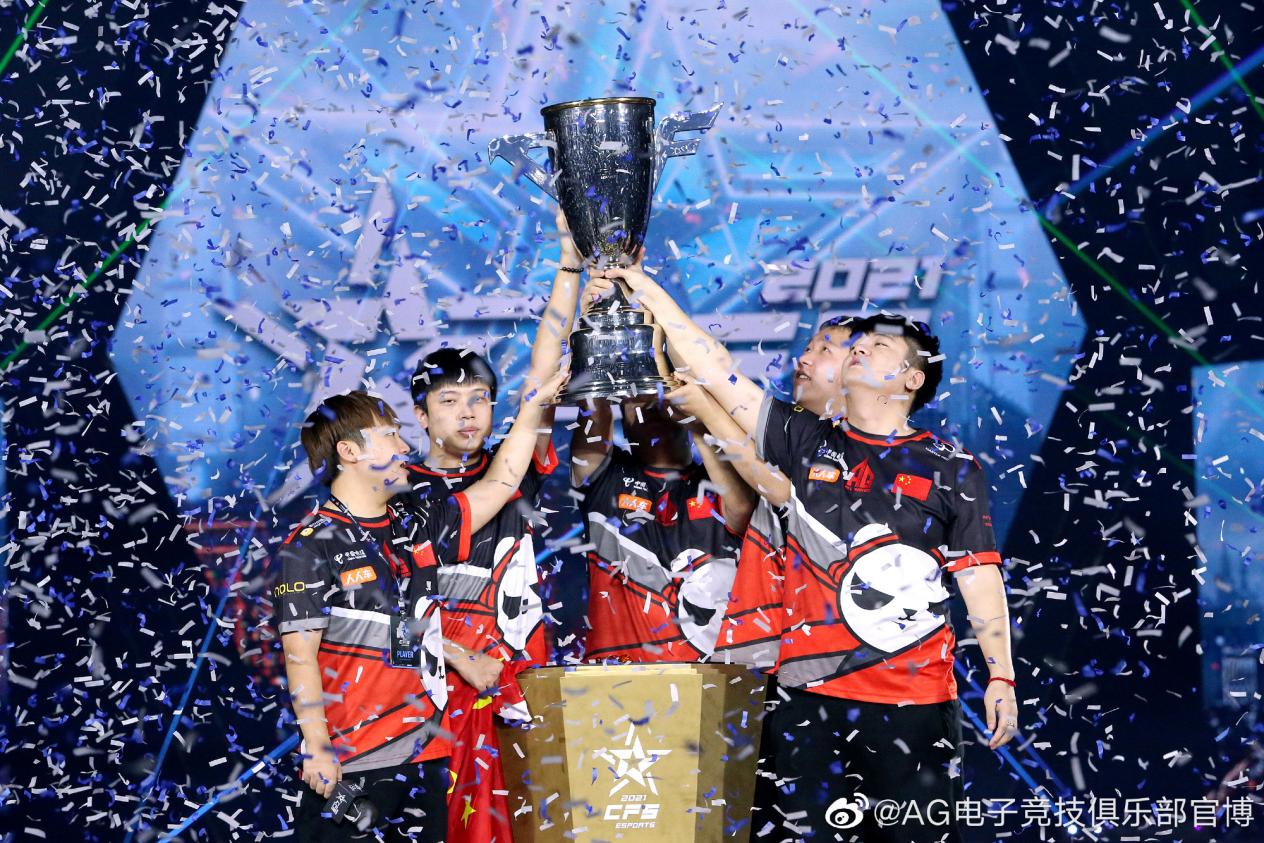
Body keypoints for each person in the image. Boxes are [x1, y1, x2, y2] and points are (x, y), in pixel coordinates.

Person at [606, 265, 1017, 842]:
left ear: (911, 380)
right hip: (805, 699)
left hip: (913, 700)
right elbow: (714, 366)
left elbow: (979, 579)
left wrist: (1002, 676)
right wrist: (641, 284)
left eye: (879, 347)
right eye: (857, 344)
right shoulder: (804, 438)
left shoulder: (952, 468)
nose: (859, 350)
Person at [275, 377, 563, 842]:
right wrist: (317, 745)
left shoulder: (416, 523)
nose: (405, 446)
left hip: (427, 757)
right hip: (354, 760)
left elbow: (502, 481)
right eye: (390, 434)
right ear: (350, 452)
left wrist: (535, 403)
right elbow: (299, 656)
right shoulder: (311, 546)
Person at [403, 210, 581, 841]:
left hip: (517, 679)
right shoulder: (397, 492)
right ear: (421, 415)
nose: (468, 413)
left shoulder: (517, 461)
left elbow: (541, 373)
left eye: (479, 398)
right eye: (448, 401)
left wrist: (568, 262)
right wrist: (455, 656)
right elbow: (377, 606)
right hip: (435, 689)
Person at [570, 277, 756, 664]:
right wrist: (594, 334)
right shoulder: (604, 475)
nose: (646, 398)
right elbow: (592, 410)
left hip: (708, 679)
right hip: (612, 679)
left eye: (655, 385)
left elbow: (740, 509)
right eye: (634, 391)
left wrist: (695, 416)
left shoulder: (722, 477)